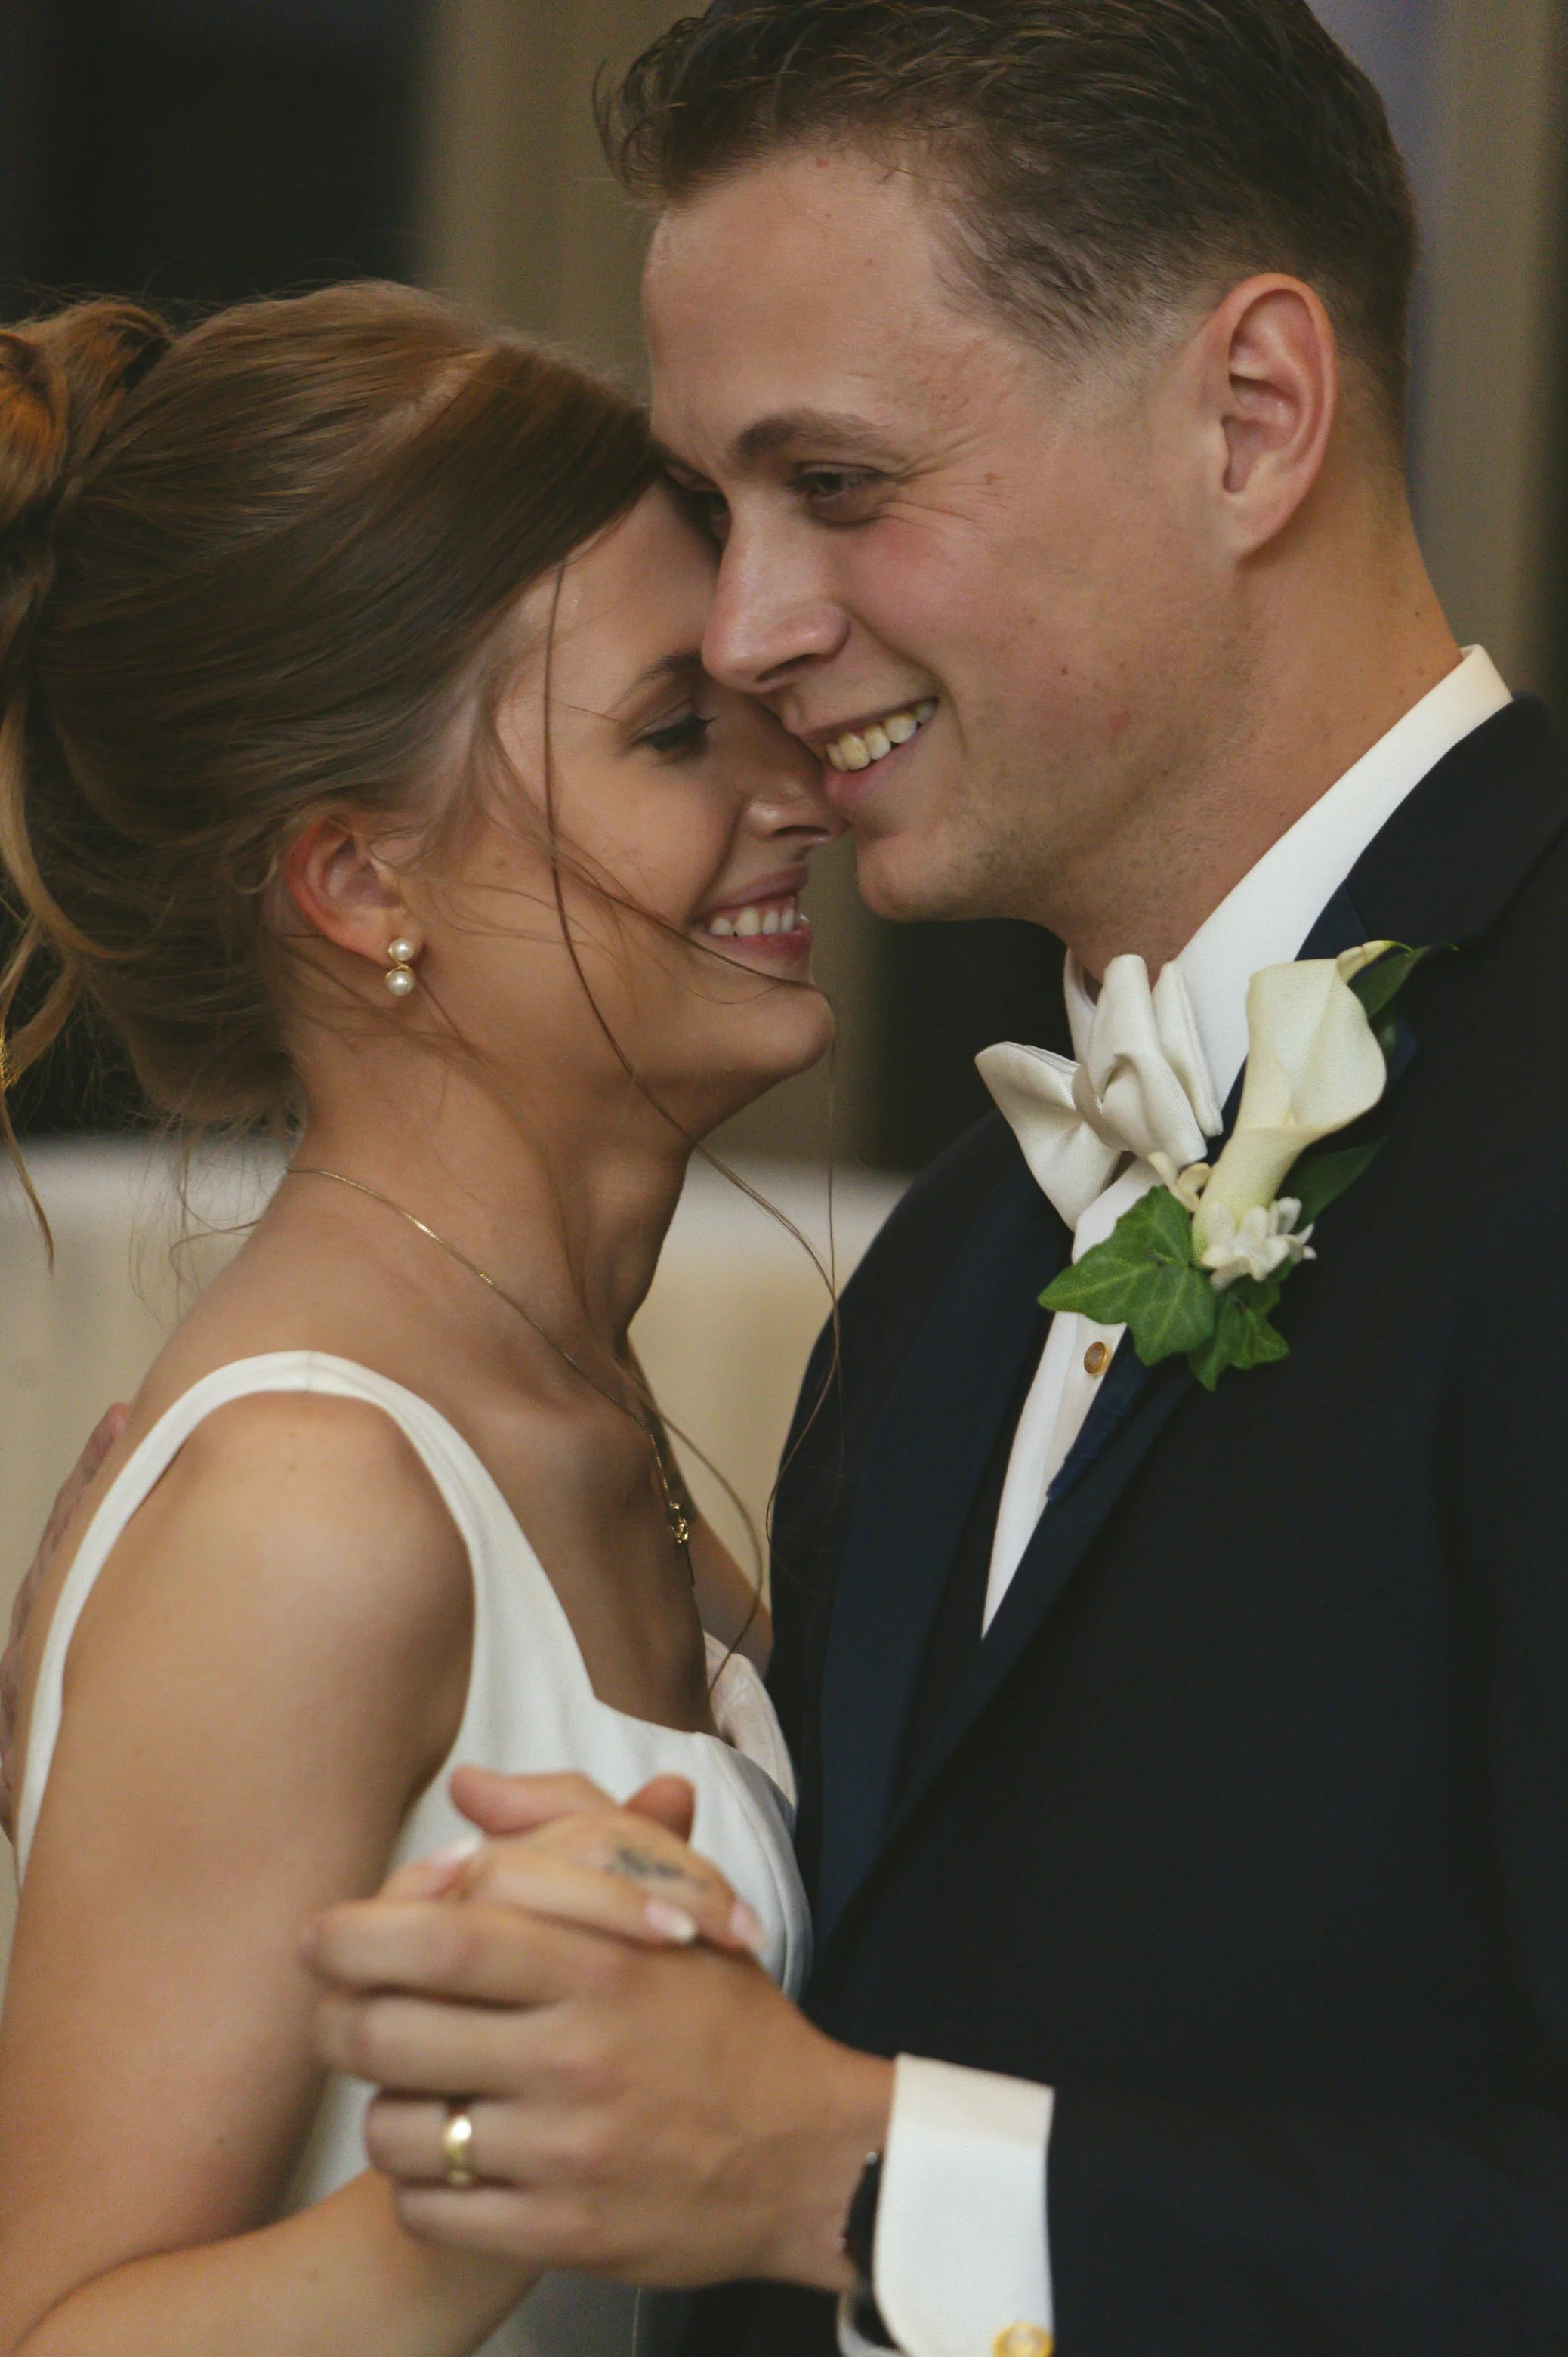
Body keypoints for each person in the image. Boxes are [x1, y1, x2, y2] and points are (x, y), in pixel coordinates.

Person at [304, 5, 1568, 2355]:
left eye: (839, 484)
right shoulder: (958, 1265)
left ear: (1248, 417)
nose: (749, 631)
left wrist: (853, 2177)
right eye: (720, 511)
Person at [0, 280, 838, 2357]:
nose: (800, 782)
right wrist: (478, 2196)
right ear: (363, 886)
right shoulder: (314, 1512)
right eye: (674, 729)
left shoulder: (570, 1414)